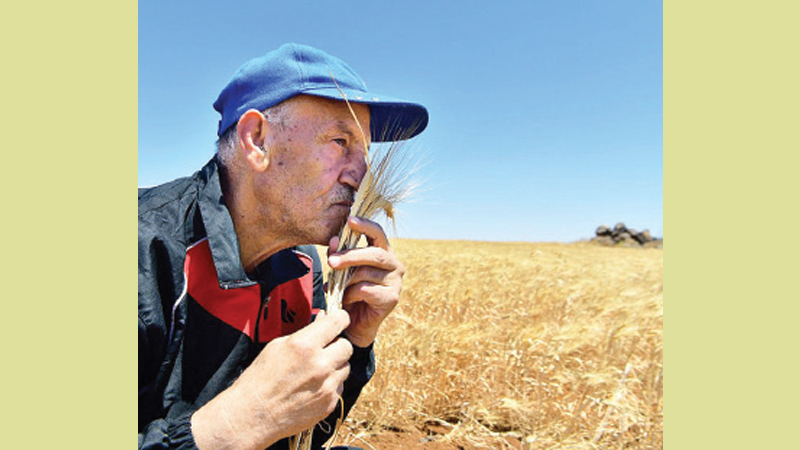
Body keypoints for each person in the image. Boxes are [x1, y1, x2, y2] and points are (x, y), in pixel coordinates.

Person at [138, 43, 428, 450]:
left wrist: (355, 339)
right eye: (341, 141)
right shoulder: (141, 249)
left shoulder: (303, 266)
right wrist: (227, 426)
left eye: (365, 151)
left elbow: (304, 437)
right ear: (257, 140)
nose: (360, 174)